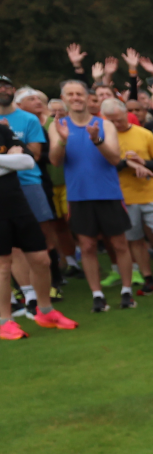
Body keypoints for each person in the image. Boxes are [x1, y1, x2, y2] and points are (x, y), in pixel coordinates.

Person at [48, 82, 137, 312]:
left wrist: (97, 140)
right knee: (86, 246)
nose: (76, 98)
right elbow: (55, 161)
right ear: (63, 98)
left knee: (118, 243)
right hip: (78, 196)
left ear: (88, 98)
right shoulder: (58, 126)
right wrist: (63, 139)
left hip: (108, 193)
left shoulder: (104, 124)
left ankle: (127, 291)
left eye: (80, 94)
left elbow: (115, 159)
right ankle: (97, 295)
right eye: (71, 94)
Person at [0, 121, 74, 338]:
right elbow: (18, 161)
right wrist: (11, 160)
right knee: (3, 266)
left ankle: (45, 311)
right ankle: (4, 321)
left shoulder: (3, 130)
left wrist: (12, 161)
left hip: (19, 206)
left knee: (42, 260)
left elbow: (27, 161)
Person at [103, 99, 153, 295]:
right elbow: (103, 166)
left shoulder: (144, 134)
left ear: (126, 115)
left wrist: (144, 163)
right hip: (124, 196)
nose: (115, 125)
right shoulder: (103, 140)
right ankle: (148, 278)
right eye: (110, 121)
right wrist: (126, 163)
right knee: (135, 239)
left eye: (118, 120)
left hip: (152, 192)